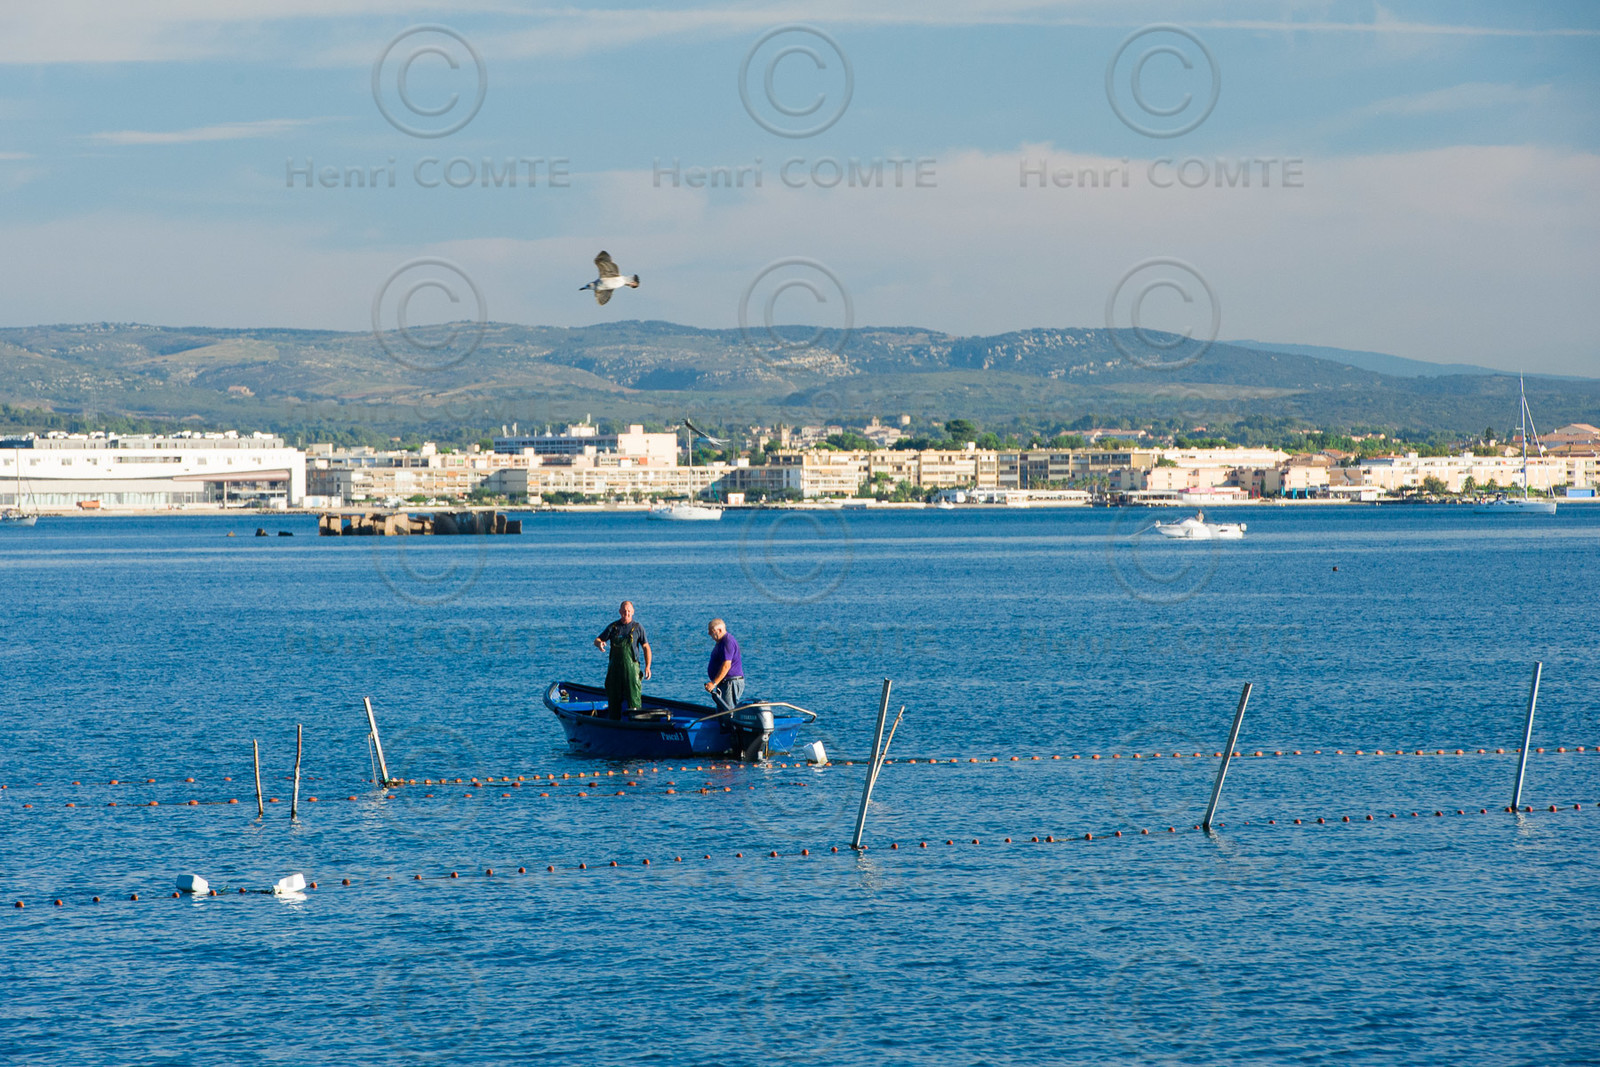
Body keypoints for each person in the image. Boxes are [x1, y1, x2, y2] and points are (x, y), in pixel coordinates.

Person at [594, 600, 651, 716]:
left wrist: (648, 667)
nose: (627, 613)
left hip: (632, 671)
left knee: (634, 699)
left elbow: (646, 647)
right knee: (614, 700)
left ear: (633, 612)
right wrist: (599, 644)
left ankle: (636, 725)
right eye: (624, 611)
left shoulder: (638, 628)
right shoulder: (613, 627)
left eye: (629, 611)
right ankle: (614, 724)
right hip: (614, 671)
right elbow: (597, 640)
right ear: (620, 612)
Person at [704, 618, 744, 714]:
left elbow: (726, 665)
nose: (709, 634)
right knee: (722, 712)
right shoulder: (721, 643)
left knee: (728, 712)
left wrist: (713, 683)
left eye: (711, 631)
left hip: (730, 682)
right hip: (725, 683)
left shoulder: (727, 642)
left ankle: (731, 729)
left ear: (720, 630)